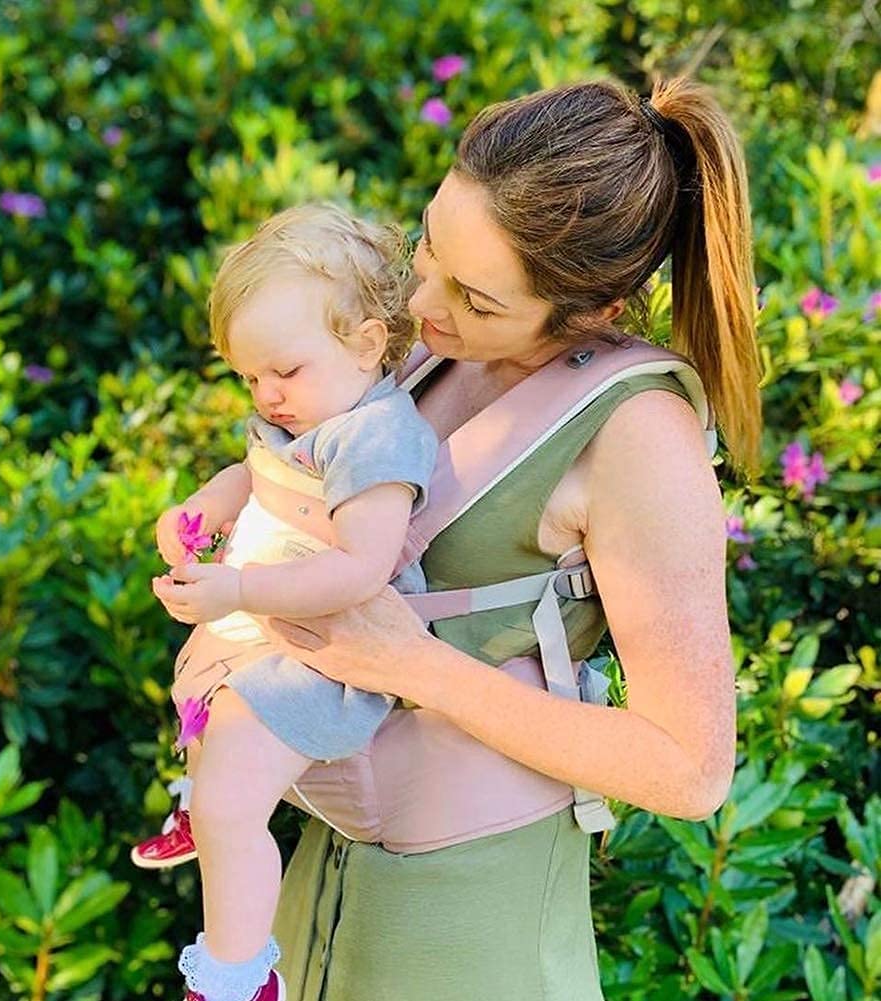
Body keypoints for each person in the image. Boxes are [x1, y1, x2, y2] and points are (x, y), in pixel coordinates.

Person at [168, 76, 761, 1001]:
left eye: (475, 298)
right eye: (429, 245)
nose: (422, 299)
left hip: (468, 929)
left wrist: (412, 665)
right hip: (321, 885)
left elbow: (689, 769)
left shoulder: (637, 434)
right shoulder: (429, 348)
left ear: (594, 308)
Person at [150, 204, 438, 1001]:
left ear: (367, 345)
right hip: (267, 625)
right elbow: (253, 471)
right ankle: (204, 807)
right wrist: (201, 510)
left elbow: (360, 569)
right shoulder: (311, 412)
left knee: (234, 787)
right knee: (205, 702)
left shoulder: (373, 438)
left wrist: (239, 587)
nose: (267, 394)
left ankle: (239, 976)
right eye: (250, 378)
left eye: (283, 371)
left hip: (328, 649)